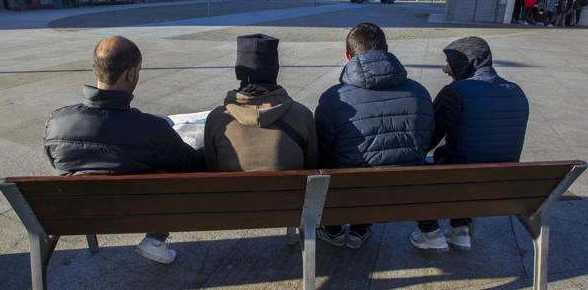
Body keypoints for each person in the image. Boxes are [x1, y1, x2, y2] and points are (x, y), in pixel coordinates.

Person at [44, 36, 205, 265]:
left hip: (80, 212)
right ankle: (156, 238)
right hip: (141, 210)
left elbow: (58, 163)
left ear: (95, 69)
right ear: (131, 74)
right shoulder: (152, 129)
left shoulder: (56, 122)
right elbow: (193, 167)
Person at [314, 22, 434, 249]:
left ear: (348, 55)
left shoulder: (333, 99)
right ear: (386, 50)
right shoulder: (420, 93)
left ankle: (332, 229)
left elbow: (323, 154)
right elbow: (424, 143)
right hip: (404, 192)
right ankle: (360, 229)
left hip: (348, 194)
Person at [410, 36, 529, 252]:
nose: (445, 69)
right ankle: (460, 229)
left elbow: (426, 141)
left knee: (417, 166)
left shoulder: (456, 92)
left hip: (460, 182)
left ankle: (431, 232)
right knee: (462, 158)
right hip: (501, 187)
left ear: (468, 63)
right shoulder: (517, 91)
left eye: (450, 62)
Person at [204, 34, 318, 172]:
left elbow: (212, 167)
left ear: (238, 70)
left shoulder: (217, 119)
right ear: (274, 70)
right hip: (289, 193)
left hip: (232, 193)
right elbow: (312, 166)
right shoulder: (302, 116)